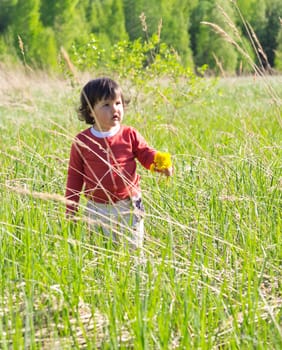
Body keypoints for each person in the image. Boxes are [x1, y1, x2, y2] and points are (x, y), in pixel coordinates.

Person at [65, 77, 173, 249]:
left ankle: (136, 273)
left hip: (128, 203)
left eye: (118, 103)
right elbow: (74, 177)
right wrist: (71, 208)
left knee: (133, 248)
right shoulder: (82, 141)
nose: (115, 109)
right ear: (90, 111)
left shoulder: (129, 134)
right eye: (106, 105)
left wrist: (160, 162)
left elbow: (146, 153)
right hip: (97, 207)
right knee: (100, 250)